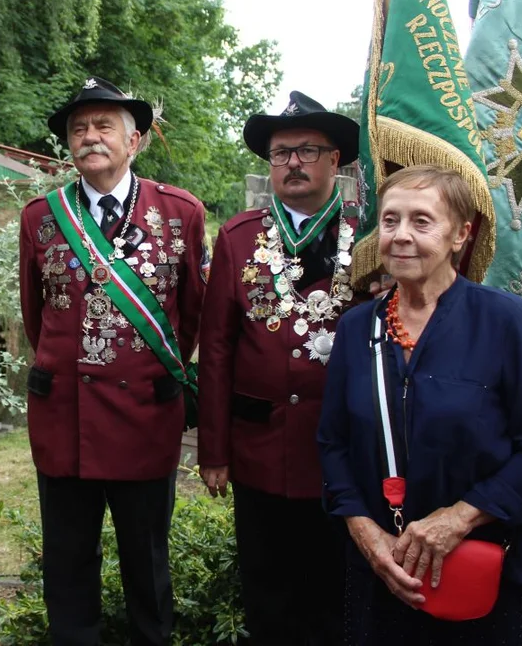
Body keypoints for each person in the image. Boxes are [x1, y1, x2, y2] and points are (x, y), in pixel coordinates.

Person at [317, 166, 522, 644]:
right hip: (383, 577)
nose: (401, 236)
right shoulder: (357, 329)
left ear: (461, 234)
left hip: (480, 578)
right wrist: (367, 536)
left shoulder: (503, 321)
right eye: (391, 221)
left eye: (422, 221)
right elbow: (333, 444)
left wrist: (459, 518)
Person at [19, 76, 208, 645]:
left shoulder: (180, 214)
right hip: (65, 422)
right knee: (68, 563)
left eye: (104, 126)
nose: (90, 137)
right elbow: (37, 315)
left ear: (136, 142)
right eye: (79, 129)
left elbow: (190, 321)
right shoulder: (40, 217)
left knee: (147, 563)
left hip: (145, 418)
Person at [197, 91, 361, 646]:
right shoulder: (239, 238)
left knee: (335, 595)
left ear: (334, 160)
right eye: (280, 152)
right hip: (260, 451)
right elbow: (216, 348)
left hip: (343, 453)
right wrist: (214, 451)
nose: (292, 162)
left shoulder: (368, 240)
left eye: (307, 150)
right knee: (269, 594)